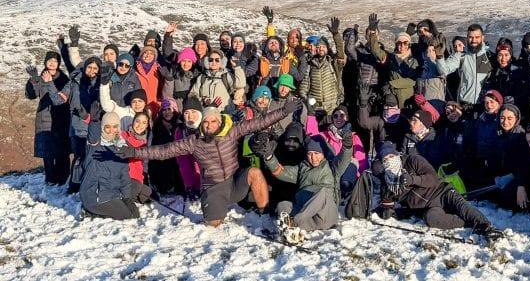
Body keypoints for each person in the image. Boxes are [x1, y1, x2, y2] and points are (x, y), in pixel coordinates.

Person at [120, 100, 301, 226]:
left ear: (219, 121)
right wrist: (135, 151)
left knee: (254, 172)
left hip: (234, 181)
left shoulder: (232, 131)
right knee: (213, 225)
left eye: (213, 121)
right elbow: (163, 151)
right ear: (201, 124)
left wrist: (284, 111)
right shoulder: (194, 142)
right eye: (206, 122)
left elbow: (259, 123)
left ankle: (263, 213)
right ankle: (216, 210)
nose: (209, 124)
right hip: (213, 188)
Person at [373, 142, 503, 241]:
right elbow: (389, 209)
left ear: (397, 155)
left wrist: (412, 179)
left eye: (392, 156)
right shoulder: (388, 183)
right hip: (428, 207)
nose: (390, 160)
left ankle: (486, 226)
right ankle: (469, 222)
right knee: (432, 219)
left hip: (442, 192)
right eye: (385, 159)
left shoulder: (413, 160)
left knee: (463, 208)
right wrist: (388, 207)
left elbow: (433, 179)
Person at [257, 130, 354, 243]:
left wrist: (347, 144)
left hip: (325, 216)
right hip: (308, 218)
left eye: (317, 153)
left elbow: (344, 158)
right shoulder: (302, 168)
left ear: (323, 154)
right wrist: (269, 156)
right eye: (310, 153)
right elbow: (279, 171)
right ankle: (291, 231)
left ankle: (292, 224)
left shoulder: (332, 167)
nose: (313, 158)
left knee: (322, 192)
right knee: (283, 205)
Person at [46, 56, 101, 193]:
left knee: (95, 157)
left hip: (96, 126)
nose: (92, 70)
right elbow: (58, 100)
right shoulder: (74, 81)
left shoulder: (102, 84)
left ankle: (93, 185)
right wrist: (49, 84)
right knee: (79, 157)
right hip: (77, 126)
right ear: (85, 67)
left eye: (95, 68)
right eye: (89, 67)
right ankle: (75, 186)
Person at [80, 112, 139, 220]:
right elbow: (93, 136)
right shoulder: (95, 145)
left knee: (135, 209)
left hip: (111, 189)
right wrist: (94, 122)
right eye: (107, 127)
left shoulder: (121, 146)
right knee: (126, 214)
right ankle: (89, 211)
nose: (112, 131)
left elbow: (124, 175)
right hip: (95, 194)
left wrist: (127, 198)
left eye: (115, 127)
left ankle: (118, 202)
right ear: (102, 127)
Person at [26, 51, 71, 185]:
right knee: (48, 151)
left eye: (55, 61)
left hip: (62, 116)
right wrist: (33, 79)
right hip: (44, 116)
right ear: (45, 62)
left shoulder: (64, 79)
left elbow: (64, 97)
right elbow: (32, 95)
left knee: (63, 150)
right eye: (49, 60)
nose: (52, 63)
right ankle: (50, 179)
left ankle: (63, 178)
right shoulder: (39, 78)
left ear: (58, 63)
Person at [436, 24, 493, 108]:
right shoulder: (460, 56)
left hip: (485, 106)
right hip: (465, 105)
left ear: (482, 38)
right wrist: (439, 56)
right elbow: (443, 71)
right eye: (471, 37)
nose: (474, 40)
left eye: (477, 37)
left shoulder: (490, 56)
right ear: (467, 38)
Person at [299, 19, 346, 114]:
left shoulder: (333, 64)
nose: (321, 49)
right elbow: (304, 86)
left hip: (332, 106)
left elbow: (340, 53)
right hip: (315, 107)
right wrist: (306, 100)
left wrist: (336, 34)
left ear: (327, 49)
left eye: (323, 47)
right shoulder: (310, 65)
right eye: (319, 47)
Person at [149, 98, 185, 195]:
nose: (167, 112)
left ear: (174, 109)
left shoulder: (180, 123)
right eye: (164, 110)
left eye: (169, 109)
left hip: (179, 154)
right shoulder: (157, 125)